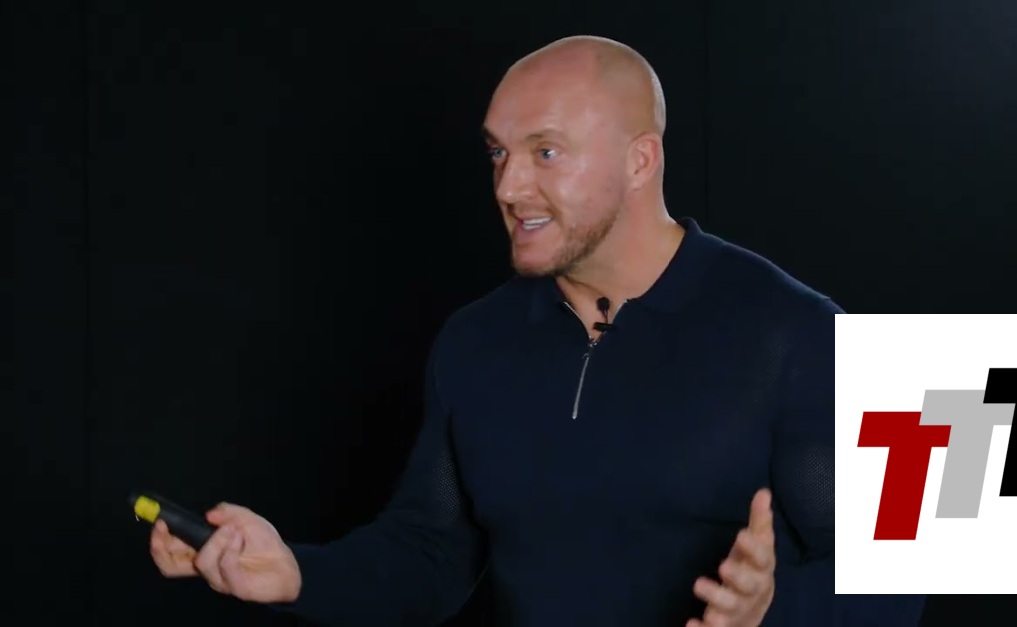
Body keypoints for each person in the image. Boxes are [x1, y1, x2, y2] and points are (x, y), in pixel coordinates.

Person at [149, 35, 926, 626]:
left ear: (639, 161)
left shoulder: (804, 330)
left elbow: (908, 572)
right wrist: (297, 573)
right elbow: (431, 552)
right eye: (497, 152)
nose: (508, 185)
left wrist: (771, 612)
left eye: (544, 152)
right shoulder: (474, 341)